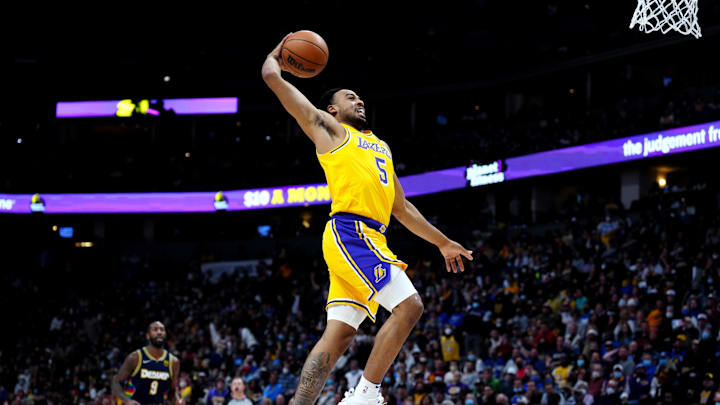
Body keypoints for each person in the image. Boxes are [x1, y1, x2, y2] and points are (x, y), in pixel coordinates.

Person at [262, 33, 473, 405]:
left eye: (360, 97)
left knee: (339, 335)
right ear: (331, 109)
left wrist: (442, 241)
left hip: (372, 237)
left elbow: (402, 209)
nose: (358, 100)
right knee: (410, 306)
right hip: (350, 232)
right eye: (349, 97)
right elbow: (273, 79)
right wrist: (279, 54)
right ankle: (365, 395)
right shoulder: (329, 132)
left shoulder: (380, 146)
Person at [112, 321, 181, 405]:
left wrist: (177, 400)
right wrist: (127, 401)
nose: (159, 332)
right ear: (148, 336)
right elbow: (116, 381)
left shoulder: (173, 362)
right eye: (155, 330)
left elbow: (172, 390)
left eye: (162, 330)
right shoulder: (135, 357)